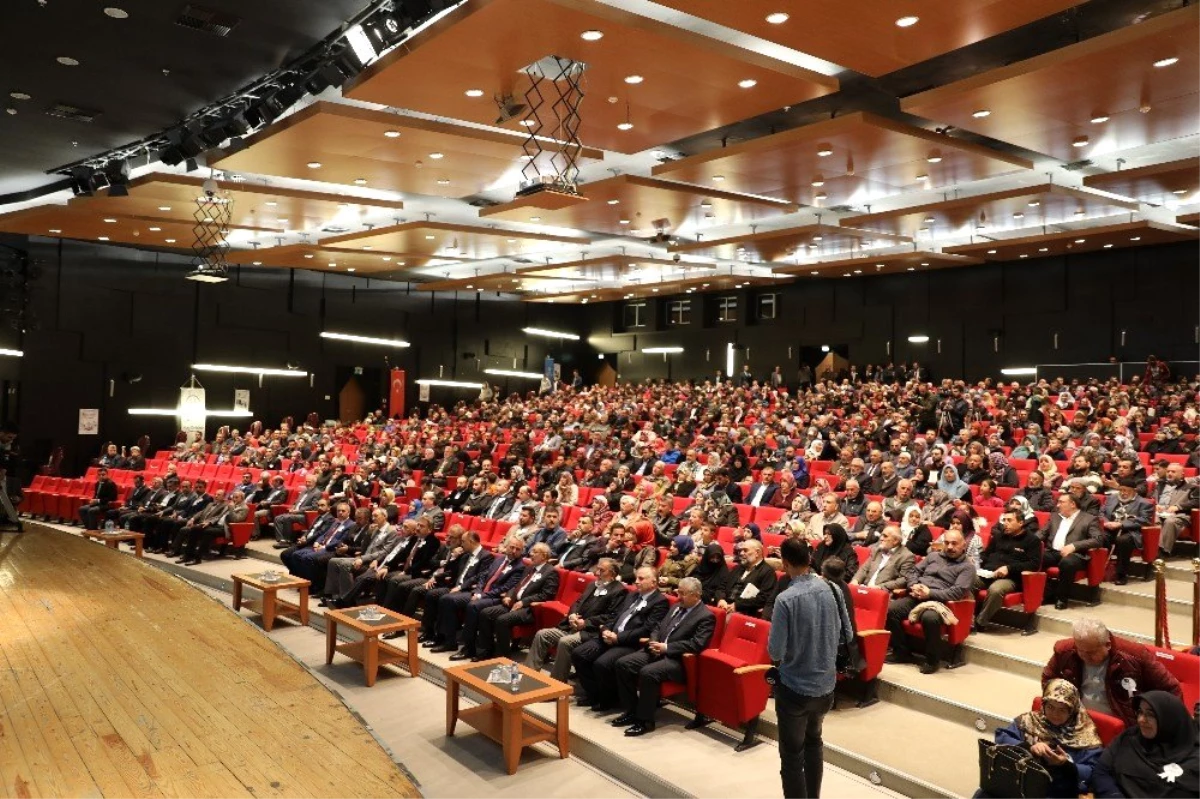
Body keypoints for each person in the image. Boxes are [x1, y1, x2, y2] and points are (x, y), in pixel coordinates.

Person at [768, 537, 854, 799]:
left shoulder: (785, 599)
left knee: (792, 755)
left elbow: (775, 651)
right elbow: (847, 635)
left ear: (784, 563)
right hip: (826, 687)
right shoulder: (834, 589)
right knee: (814, 742)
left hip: (794, 688)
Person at [612, 576, 715, 736]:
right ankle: (632, 710)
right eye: (678, 592)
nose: (678, 596)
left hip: (678, 660)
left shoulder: (706, 616)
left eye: (683, 593)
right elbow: (658, 626)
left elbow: (697, 644)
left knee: (648, 672)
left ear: (696, 595)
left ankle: (645, 721)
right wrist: (653, 642)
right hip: (656, 650)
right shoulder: (676, 607)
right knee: (623, 664)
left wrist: (666, 648)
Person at [1041, 619, 1182, 727]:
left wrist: (1165, 724)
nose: (1084, 656)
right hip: (1076, 720)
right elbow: (1048, 679)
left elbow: (1171, 688)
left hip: (1122, 724)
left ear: (1107, 644)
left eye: (1091, 652)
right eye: (1080, 650)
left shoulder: (1135, 655)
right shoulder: (1065, 651)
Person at [975, 679, 1102, 799]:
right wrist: (1028, 747)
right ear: (1043, 704)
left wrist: (1065, 764)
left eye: (1062, 710)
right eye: (1050, 707)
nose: (1055, 714)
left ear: (1072, 711)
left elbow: (1093, 771)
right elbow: (1003, 737)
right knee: (983, 795)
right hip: (1020, 780)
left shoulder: (1085, 734)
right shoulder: (1030, 721)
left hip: (1056, 790)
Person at [571, 565, 669, 712]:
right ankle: (594, 693)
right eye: (636, 578)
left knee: (602, 663)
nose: (636, 581)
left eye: (641, 579)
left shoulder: (660, 602)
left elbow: (647, 629)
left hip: (630, 643)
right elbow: (615, 616)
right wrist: (605, 629)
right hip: (611, 636)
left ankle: (609, 700)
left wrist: (618, 638)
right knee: (579, 654)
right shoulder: (632, 595)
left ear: (654, 582)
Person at [885, 529, 975, 674]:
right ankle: (902, 652)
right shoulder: (933, 556)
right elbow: (913, 572)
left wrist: (929, 593)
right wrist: (913, 585)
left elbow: (956, 592)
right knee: (890, 610)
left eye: (954, 543)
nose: (950, 547)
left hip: (940, 602)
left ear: (964, 545)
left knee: (930, 618)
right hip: (917, 595)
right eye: (946, 543)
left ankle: (932, 660)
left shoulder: (967, 567)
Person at [527, 559, 626, 682]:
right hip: (572, 625)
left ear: (612, 573)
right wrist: (572, 615)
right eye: (597, 568)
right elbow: (577, 602)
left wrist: (585, 623)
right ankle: (529, 674)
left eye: (602, 570)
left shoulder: (619, 590)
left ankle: (556, 684)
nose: (596, 572)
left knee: (565, 642)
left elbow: (610, 616)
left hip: (591, 632)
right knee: (542, 634)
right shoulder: (592, 584)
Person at [1091, 691, 1200, 799]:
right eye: (1140, 712)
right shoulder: (1129, 738)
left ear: (1169, 718)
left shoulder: (1195, 758)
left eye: (1150, 714)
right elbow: (1101, 771)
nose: (1141, 720)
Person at [974, 510, 1042, 632]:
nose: (1005, 523)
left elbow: (1034, 565)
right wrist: (977, 563)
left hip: (1010, 577)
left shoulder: (1032, 540)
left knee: (996, 589)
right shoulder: (998, 536)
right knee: (966, 580)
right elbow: (986, 554)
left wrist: (1009, 568)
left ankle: (980, 622)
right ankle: (968, 617)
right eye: (1004, 520)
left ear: (1021, 522)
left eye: (1009, 520)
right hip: (987, 573)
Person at [1039, 493, 1105, 610]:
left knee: (1067, 563)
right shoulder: (1055, 517)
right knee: (1034, 558)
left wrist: (1074, 546)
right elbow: (1042, 533)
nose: (1058, 505)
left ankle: (1062, 598)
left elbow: (1098, 540)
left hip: (1076, 554)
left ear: (1073, 504)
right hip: (1053, 552)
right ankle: (1048, 594)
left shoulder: (1089, 519)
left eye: (1061, 502)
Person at [1103, 477, 1155, 584]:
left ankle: (1121, 575)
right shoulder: (1111, 498)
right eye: (1121, 490)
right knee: (1099, 537)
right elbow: (1101, 513)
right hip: (1110, 527)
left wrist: (1121, 524)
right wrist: (1106, 522)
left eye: (1126, 490)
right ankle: (1100, 570)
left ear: (1134, 491)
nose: (1122, 493)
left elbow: (1144, 520)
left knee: (1123, 540)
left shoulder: (1144, 503)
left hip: (1130, 531)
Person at [851, 525, 915, 590]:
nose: (881, 538)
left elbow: (903, 580)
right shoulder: (877, 550)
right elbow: (864, 569)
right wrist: (856, 580)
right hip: (864, 588)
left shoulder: (907, 556)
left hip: (883, 592)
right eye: (881, 535)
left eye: (885, 536)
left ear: (895, 541)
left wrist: (880, 587)